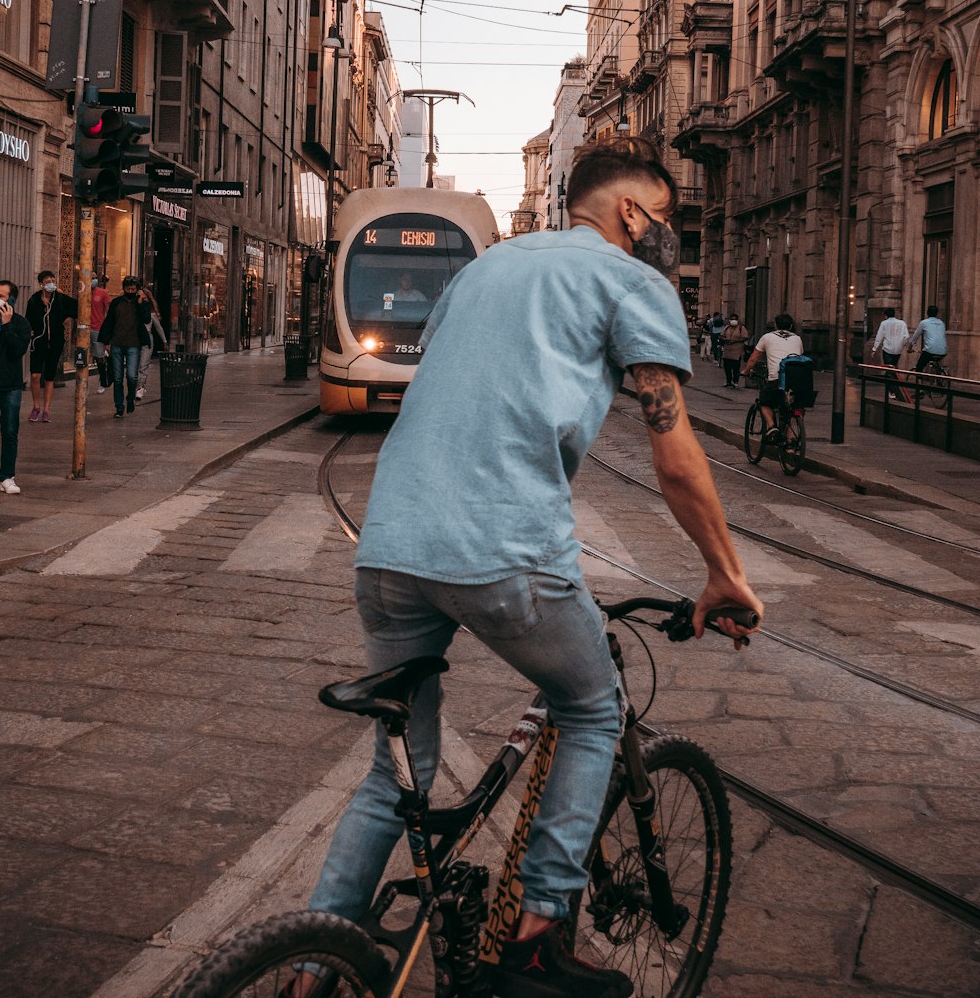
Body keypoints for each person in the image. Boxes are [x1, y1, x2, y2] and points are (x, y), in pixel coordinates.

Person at [300, 138, 763, 998]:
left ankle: (309, 965)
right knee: (592, 705)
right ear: (630, 212)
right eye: (663, 216)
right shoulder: (634, 282)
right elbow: (675, 450)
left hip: (391, 546)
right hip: (506, 548)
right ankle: (541, 935)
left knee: (395, 769)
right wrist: (725, 571)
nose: (667, 233)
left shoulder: (486, 267)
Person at [0, 281, 31, 494]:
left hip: (9, 386)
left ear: (11, 300)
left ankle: (7, 477)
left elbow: (16, 351)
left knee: (9, 431)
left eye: (1, 295)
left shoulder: (21, 324)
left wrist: (7, 324)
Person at [24, 270, 78, 423]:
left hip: (55, 342)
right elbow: (28, 319)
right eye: (47, 282)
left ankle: (46, 409)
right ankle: (36, 407)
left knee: (49, 376)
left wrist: (67, 318)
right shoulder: (34, 300)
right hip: (38, 342)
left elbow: (79, 307)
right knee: (35, 375)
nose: (51, 284)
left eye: (53, 281)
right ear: (41, 284)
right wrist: (31, 333)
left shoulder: (60, 299)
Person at [742, 312, 804, 437]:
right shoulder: (797, 338)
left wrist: (745, 371)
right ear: (791, 326)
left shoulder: (767, 337)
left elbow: (754, 358)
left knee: (764, 403)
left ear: (775, 325)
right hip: (797, 380)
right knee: (791, 409)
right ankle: (790, 442)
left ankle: (772, 426)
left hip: (777, 379)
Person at [99, 276, 152, 419]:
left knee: (131, 376)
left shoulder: (141, 303)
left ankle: (130, 399)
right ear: (124, 289)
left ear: (137, 290)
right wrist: (106, 341)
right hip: (117, 343)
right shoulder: (117, 303)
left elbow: (147, 319)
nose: (130, 291)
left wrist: (141, 302)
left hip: (134, 345)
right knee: (117, 378)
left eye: (133, 289)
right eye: (128, 289)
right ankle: (119, 407)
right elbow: (109, 321)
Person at [135, 286, 168, 400]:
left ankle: (140, 388)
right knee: (136, 365)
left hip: (147, 340)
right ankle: (141, 385)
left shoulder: (151, 313)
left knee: (143, 365)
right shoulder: (135, 309)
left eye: (142, 296)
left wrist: (164, 341)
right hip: (135, 339)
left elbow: (158, 328)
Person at [872, 307, 909, 399]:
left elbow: (879, 337)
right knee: (894, 368)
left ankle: (892, 391)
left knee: (889, 370)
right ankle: (893, 389)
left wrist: (874, 349)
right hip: (898, 350)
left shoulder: (884, 323)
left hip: (887, 349)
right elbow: (907, 336)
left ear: (886, 315)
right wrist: (902, 344)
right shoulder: (902, 323)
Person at [908, 305, 948, 373]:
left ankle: (919, 380)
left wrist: (909, 348)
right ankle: (939, 376)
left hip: (929, 351)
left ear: (927, 313)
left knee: (919, 367)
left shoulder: (924, 323)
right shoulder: (941, 323)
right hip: (943, 351)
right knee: (935, 363)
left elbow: (915, 337)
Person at [90, 275, 112, 395]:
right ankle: (83, 382)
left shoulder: (103, 293)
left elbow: (108, 312)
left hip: (98, 328)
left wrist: (107, 332)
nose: (94, 279)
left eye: (95, 277)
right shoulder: (82, 292)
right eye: (92, 277)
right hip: (84, 328)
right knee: (81, 358)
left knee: (99, 357)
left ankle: (103, 382)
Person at [721, 313, 748, 388]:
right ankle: (728, 381)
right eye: (732, 319)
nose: (733, 320)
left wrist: (735, 341)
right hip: (727, 351)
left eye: (734, 319)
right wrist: (724, 339)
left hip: (737, 351)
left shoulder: (741, 328)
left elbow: (745, 337)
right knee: (727, 367)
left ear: (737, 320)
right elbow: (722, 335)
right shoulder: (727, 327)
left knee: (735, 367)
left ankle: (735, 381)